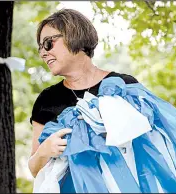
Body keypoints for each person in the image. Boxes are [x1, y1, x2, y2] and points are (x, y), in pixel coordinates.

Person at [28, 9, 138, 178]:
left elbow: (149, 148)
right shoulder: (47, 100)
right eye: (40, 48)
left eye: (48, 43)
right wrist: (44, 151)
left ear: (74, 35)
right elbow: (35, 170)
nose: (43, 53)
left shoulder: (124, 85)